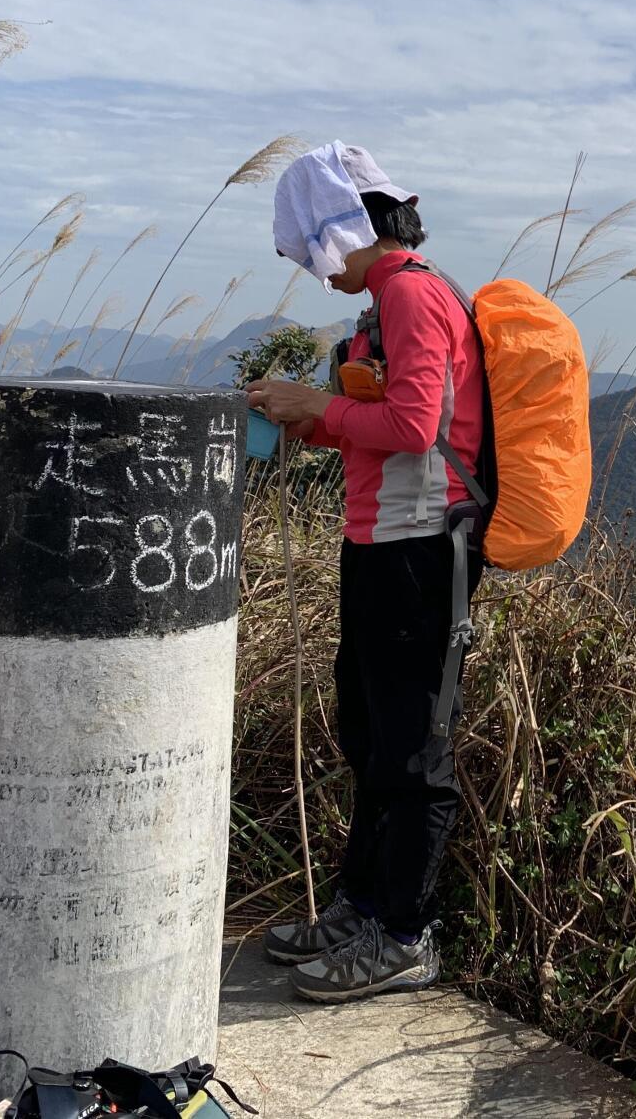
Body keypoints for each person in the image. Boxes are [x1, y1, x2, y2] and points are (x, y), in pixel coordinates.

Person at [246, 141, 486, 1002]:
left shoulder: (415, 297)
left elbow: (418, 427)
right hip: (379, 545)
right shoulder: (380, 309)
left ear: (347, 228)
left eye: (314, 249)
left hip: (424, 550)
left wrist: (319, 406)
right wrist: (307, 417)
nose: (317, 273)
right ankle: (362, 906)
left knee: (415, 747)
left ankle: (405, 934)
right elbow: (376, 423)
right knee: (372, 737)